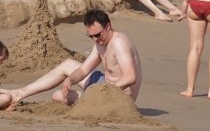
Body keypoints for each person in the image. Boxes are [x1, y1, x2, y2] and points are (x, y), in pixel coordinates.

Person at [0, 10, 141, 109]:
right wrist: (71, 80)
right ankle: (20, 93)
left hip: (117, 96)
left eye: (97, 35)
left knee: (57, 96)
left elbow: (130, 77)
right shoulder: (100, 43)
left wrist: (100, 92)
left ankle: (85, 99)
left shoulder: (119, 42)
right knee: (67, 65)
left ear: (108, 26)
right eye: (90, 36)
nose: (95, 39)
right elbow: (84, 69)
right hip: (104, 84)